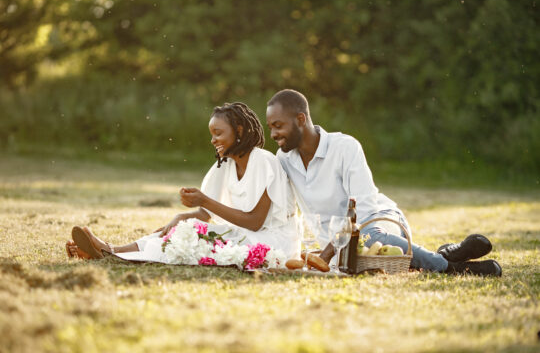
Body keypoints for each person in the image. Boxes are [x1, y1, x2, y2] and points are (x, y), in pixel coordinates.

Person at [265, 89, 501, 276]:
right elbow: (283, 211)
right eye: (271, 127)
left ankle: (450, 267)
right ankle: (448, 254)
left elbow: (365, 211)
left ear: (300, 119)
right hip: (338, 247)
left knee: (369, 239)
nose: (274, 134)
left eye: (278, 126)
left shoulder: (345, 147)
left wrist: (328, 253)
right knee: (358, 260)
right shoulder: (283, 159)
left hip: (377, 222)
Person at [66, 102, 299, 262]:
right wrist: (180, 217)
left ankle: (109, 251)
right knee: (182, 228)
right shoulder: (226, 164)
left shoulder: (264, 162)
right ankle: (110, 250)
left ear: (239, 130)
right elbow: (205, 214)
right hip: (243, 234)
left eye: (218, 133)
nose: (213, 140)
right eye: (211, 134)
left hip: (272, 242)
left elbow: (256, 222)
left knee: (192, 236)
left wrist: (204, 200)